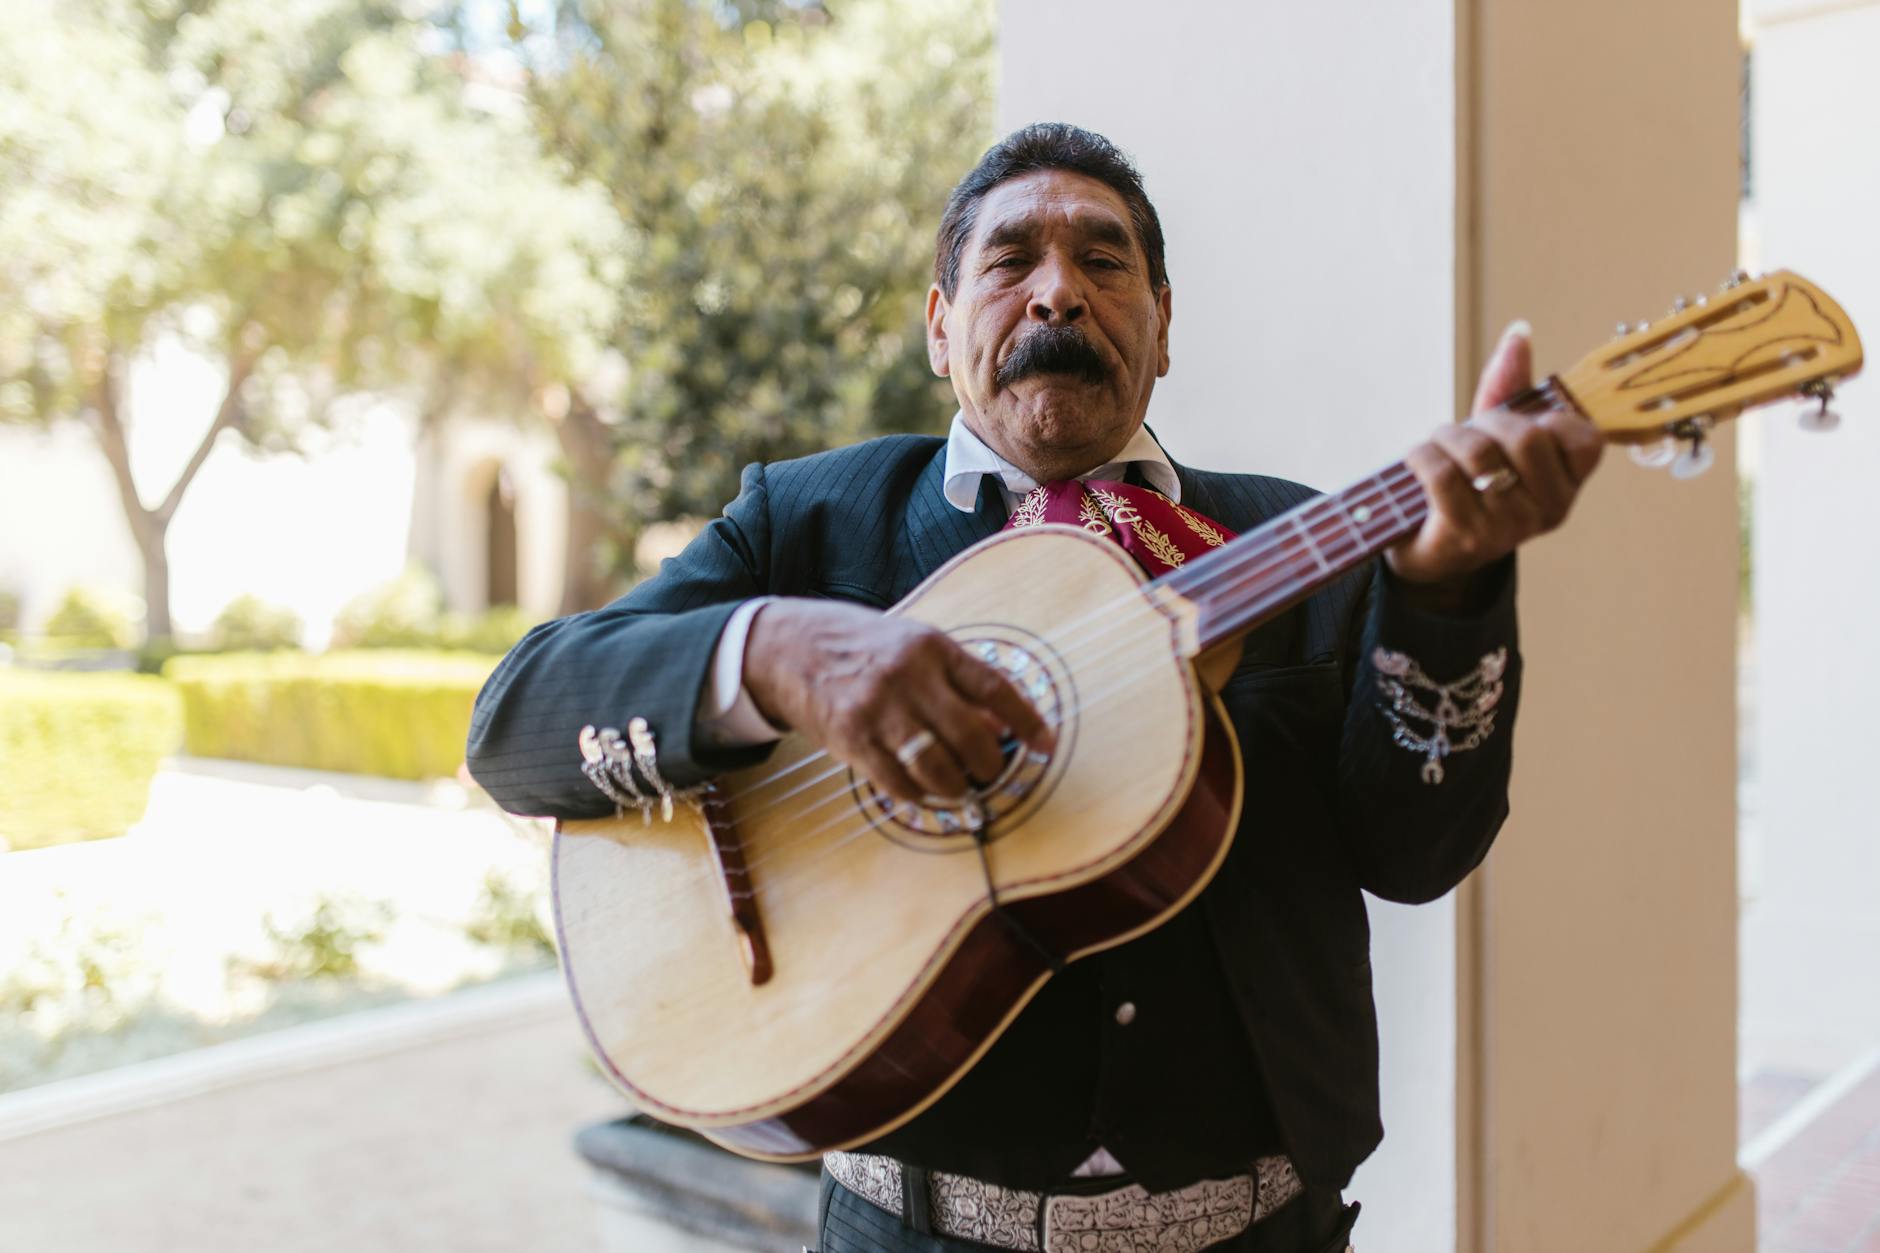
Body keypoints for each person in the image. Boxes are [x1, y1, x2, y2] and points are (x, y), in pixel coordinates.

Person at [466, 123, 1604, 1253]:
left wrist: (1444, 597)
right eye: (1011, 261)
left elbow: (1417, 852)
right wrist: (774, 653)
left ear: (1162, 329)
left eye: (1104, 263)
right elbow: (516, 720)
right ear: (938, 326)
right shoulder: (808, 522)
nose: (1058, 292)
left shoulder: (1301, 542)